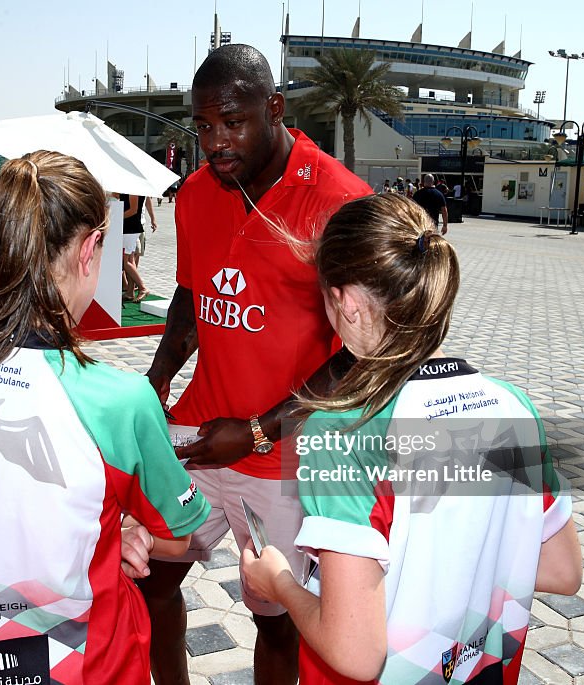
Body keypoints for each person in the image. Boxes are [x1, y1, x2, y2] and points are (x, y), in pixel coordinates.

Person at [241, 194, 582, 685]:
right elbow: (561, 570)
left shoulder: (340, 433)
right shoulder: (513, 406)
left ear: (348, 304)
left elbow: (356, 654)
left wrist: (277, 581)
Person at [0, 150, 210, 685]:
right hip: (93, 662)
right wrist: (125, 529)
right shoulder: (119, 399)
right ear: (91, 249)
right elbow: (177, 537)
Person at [139, 43, 372, 685]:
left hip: (287, 456)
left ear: (275, 108)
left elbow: (361, 353)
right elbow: (192, 293)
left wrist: (262, 428)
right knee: (149, 583)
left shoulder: (342, 200)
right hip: (199, 440)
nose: (215, 141)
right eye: (204, 124)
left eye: (233, 121)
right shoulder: (194, 194)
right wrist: (161, 374)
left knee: (278, 623)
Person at [121, 193, 150, 301]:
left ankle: (142, 287)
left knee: (126, 262)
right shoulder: (130, 188)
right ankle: (130, 291)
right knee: (130, 260)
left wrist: (116, 216)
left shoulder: (133, 190)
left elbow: (133, 210)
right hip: (130, 228)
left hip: (130, 228)